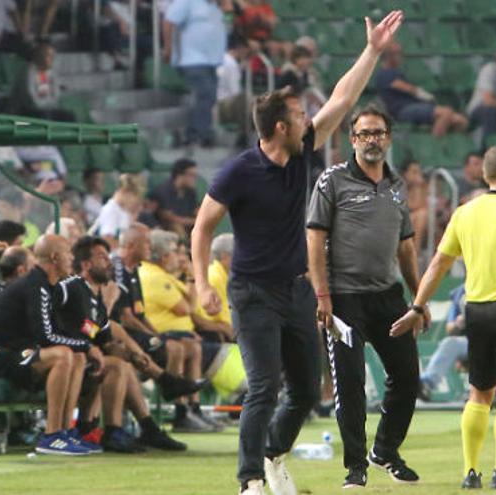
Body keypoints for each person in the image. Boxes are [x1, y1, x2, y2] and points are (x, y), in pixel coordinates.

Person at [191, 11, 404, 495]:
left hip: (297, 291)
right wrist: (203, 283)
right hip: (252, 293)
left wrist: (371, 49)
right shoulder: (238, 172)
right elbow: (202, 228)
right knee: (264, 387)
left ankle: (272, 456)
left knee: (307, 391)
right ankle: (249, 483)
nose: (310, 117)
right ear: (280, 127)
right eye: (300, 114)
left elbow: (343, 98)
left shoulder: (302, 150)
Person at [391, 145, 496, 490]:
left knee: (478, 393)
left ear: (485, 174)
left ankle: (470, 472)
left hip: (477, 313)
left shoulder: (463, 213)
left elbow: (438, 263)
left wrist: (417, 305)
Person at [306, 104, 424, 488]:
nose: (372, 139)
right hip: (344, 299)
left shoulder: (396, 185)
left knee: (408, 377)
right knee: (351, 384)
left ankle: (385, 451)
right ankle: (355, 467)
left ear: (388, 138)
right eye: (364, 133)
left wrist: (418, 301)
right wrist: (322, 296)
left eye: (378, 132)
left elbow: (407, 248)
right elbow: (315, 239)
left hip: (388, 296)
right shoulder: (331, 181)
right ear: (352, 140)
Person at [0, 234, 104, 456]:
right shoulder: (34, 285)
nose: (72, 259)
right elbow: (46, 336)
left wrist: (84, 348)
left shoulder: (49, 286)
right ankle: (51, 434)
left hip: (22, 352)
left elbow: (63, 329)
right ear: (55, 257)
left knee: (76, 357)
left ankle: (65, 432)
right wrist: (87, 346)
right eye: (68, 254)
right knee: (64, 354)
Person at [69, 236, 189, 451]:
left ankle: (144, 425)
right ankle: (116, 428)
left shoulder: (92, 291)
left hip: (85, 351)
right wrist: (108, 302)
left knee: (122, 360)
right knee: (117, 364)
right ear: (86, 265)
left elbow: (100, 333)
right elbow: (85, 330)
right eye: (102, 257)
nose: (108, 262)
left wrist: (130, 353)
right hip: (71, 354)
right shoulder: (75, 290)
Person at [139, 230, 215, 433]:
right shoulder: (155, 277)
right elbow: (187, 308)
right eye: (175, 252)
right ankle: (180, 410)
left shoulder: (166, 277)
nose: (180, 258)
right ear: (163, 255)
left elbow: (191, 306)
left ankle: (192, 408)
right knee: (182, 348)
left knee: (192, 346)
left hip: (181, 336)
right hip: (160, 340)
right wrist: (192, 277)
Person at [162, 0, 227, 147]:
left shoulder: (215, 7)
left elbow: (226, 25)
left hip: (212, 60)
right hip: (191, 59)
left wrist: (227, 9)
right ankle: (198, 134)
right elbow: (168, 22)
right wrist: (168, 48)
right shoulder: (187, 2)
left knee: (210, 97)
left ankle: (199, 131)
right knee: (205, 94)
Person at [375, 42, 468, 137]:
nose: (400, 56)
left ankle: (449, 148)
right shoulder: (383, 74)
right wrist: (423, 94)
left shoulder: (397, 72)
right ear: (388, 56)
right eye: (397, 53)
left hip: (416, 106)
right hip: (402, 110)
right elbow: (407, 88)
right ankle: (435, 146)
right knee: (446, 113)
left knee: (461, 121)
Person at [419, 284, 468, 402]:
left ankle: (494, 393)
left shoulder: (495, 284)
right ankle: (426, 384)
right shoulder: (460, 292)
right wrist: (458, 323)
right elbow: (449, 328)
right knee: (450, 343)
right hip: (469, 342)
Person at [193, 233, 233, 342]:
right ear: (225, 257)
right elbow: (208, 318)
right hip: (214, 333)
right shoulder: (214, 277)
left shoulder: (223, 275)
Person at [149, 159, 199, 238]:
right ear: (180, 175)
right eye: (191, 175)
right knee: (176, 227)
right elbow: (169, 217)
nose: (194, 179)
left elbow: (196, 211)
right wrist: (194, 221)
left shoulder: (191, 192)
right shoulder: (164, 191)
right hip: (164, 229)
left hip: (187, 226)